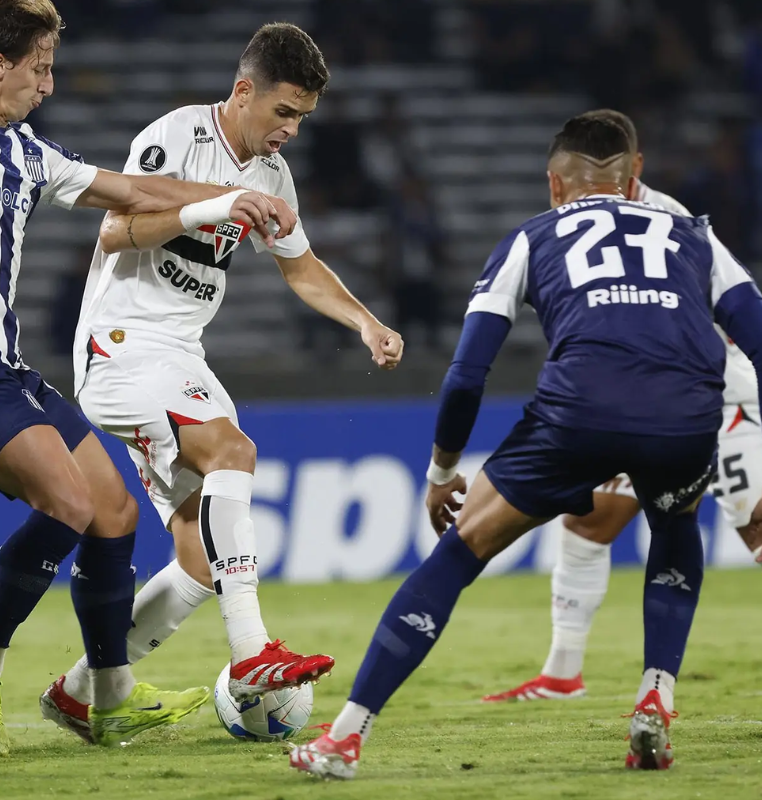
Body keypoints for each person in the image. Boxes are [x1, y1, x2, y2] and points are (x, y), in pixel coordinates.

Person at [288, 113, 762, 779]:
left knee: (462, 549)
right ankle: (656, 691)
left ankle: (345, 737)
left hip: (579, 412)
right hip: (683, 416)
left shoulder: (533, 237)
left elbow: (467, 373)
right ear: (635, 180)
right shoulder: (694, 236)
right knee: (675, 523)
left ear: (554, 184)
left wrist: (442, 470)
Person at [0, 0, 297, 753]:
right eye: (39, 68)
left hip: (5, 366)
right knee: (72, 502)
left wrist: (229, 200)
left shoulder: (30, 155)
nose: (48, 84)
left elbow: (135, 192)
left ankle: (107, 696)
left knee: (115, 513)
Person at [40, 22, 403, 742]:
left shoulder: (273, 174)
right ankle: (251, 655)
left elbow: (300, 267)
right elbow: (114, 230)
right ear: (244, 93)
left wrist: (364, 322)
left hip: (178, 355)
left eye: (301, 118)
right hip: (122, 345)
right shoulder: (176, 135)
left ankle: (81, 692)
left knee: (201, 561)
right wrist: (213, 206)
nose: (291, 131)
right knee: (233, 452)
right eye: (283, 113)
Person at [482, 109, 762, 704]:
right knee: (590, 519)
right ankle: (562, 672)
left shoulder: (670, 219)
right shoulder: (583, 218)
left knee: (758, 525)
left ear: (635, 169)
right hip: (649, 396)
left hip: (718, 394)